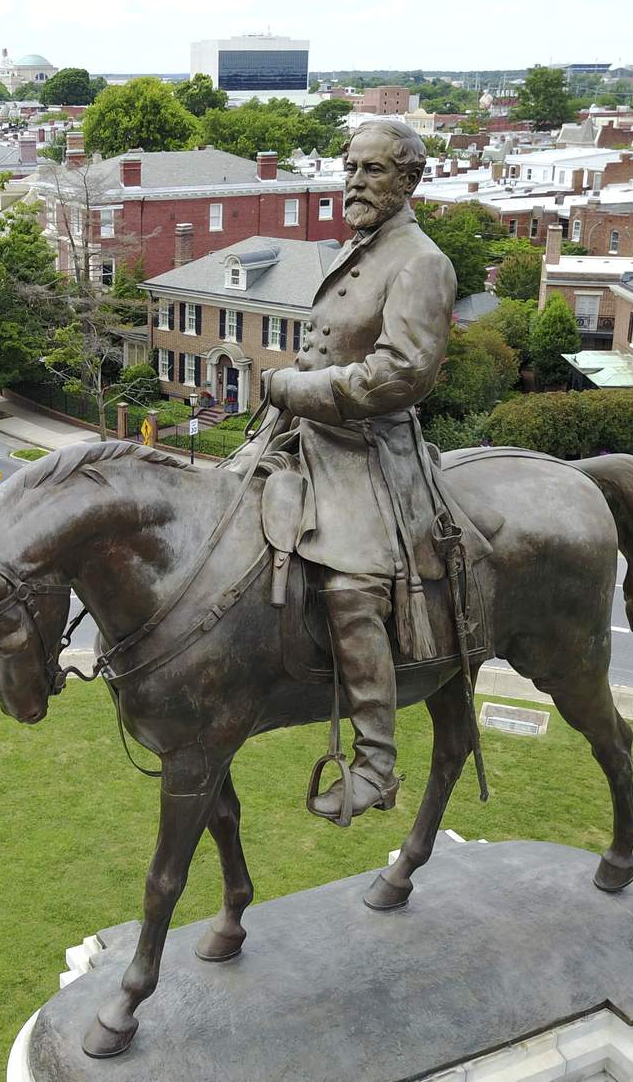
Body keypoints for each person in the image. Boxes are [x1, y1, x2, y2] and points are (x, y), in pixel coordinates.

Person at [261, 119, 457, 824]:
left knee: (350, 588)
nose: (354, 182)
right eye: (349, 168)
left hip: (368, 450)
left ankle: (375, 762)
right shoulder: (363, 247)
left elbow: (402, 372)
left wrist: (297, 389)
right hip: (302, 431)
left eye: (372, 170)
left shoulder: (421, 261)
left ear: (408, 181)